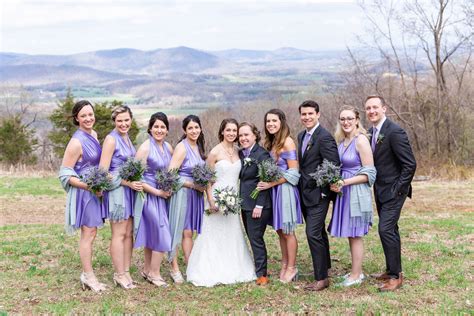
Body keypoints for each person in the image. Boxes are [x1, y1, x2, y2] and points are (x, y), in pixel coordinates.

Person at [186, 119, 256, 287]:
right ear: (222, 132)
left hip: (233, 200)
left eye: (234, 130)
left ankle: (234, 266)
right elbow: (207, 179)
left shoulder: (239, 152)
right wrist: (210, 200)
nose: (232, 133)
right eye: (228, 130)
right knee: (213, 233)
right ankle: (210, 267)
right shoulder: (215, 152)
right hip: (216, 198)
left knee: (232, 232)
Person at [365, 95, 416, 292]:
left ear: (384, 108)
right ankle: (391, 269)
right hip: (380, 190)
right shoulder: (371, 132)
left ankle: (396, 277)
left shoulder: (394, 132)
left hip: (395, 191)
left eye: (375, 107)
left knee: (385, 229)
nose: (372, 111)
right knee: (390, 230)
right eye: (368, 108)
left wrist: (398, 189)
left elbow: (410, 164)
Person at [58, 100, 107, 292]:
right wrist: (90, 186)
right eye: (83, 116)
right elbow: (65, 174)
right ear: (76, 119)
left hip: (95, 191)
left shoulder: (94, 134)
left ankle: (88, 274)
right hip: (85, 194)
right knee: (88, 234)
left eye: (90, 114)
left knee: (92, 232)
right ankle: (88, 276)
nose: (88, 118)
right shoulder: (76, 142)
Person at [328, 105, 376, 287]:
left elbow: (370, 173)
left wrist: (345, 182)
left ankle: (357, 275)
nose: (346, 122)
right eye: (342, 119)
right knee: (351, 233)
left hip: (355, 191)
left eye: (349, 118)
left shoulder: (361, 140)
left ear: (357, 120)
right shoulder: (342, 140)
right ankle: (355, 271)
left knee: (355, 233)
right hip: (343, 192)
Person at [297, 100, 340, 291]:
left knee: (312, 233)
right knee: (319, 232)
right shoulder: (301, 136)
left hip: (319, 194)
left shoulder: (325, 137)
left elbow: (333, 165)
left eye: (310, 114)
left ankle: (321, 278)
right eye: (304, 114)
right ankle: (326, 267)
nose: (307, 117)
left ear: (318, 114)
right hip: (304, 193)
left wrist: (324, 191)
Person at [99, 106, 141, 289]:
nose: (123, 124)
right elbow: (103, 172)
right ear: (114, 121)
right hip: (118, 191)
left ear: (131, 119)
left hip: (130, 190)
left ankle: (126, 271)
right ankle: (119, 274)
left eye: (126, 120)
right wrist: (126, 182)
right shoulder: (111, 139)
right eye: (119, 121)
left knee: (129, 233)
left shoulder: (127, 138)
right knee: (119, 233)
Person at [259, 109, 302, 283]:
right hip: (274, 190)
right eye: (268, 121)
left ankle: (292, 267)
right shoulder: (272, 142)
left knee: (288, 230)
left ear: (282, 122)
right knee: (279, 230)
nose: (270, 124)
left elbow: (293, 173)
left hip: (285, 189)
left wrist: (271, 183)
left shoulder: (288, 142)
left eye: (274, 121)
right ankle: (284, 264)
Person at [134, 112, 173, 287]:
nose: (159, 130)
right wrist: (157, 192)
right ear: (150, 128)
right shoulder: (145, 148)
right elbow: (136, 177)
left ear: (167, 129)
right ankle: (155, 274)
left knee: (153, 234)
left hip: (163, 195)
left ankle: (148, 270)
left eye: (162, 127)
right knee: (161, 232)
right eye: (156, 126)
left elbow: (172, 171)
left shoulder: (169, 148)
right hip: (148, 196)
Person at [167, 115, 206, 284]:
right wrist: (192, 185)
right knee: (178, 230)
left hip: (195, 195)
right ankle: (174, 267)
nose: (194, 131)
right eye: (190, 128)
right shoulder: (182, 148)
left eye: (196, 127)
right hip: (182, 193)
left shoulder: (198, 147)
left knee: (189, 231)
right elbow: (170, 175)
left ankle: (190, 267)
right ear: (185, 130)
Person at [238, 122, 273, 285]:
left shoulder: (262, 155)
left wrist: (259, 205)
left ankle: (262, 275)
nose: (243, 138)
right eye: (241, 135)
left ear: (254, 135)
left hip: (258, 206)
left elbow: (265, 181)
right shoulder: (242, 154)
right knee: (252, 238)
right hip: (245, 204)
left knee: (256, 239)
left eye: (246, 135)